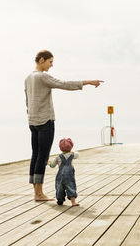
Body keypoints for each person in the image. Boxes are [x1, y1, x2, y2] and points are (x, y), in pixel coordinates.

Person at [25, 50, 103, 201]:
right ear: (42, 60)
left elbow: (27, 100)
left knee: (35, 155)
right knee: (42, 157)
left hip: (32, 121)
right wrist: (87, 82)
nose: (51, 65)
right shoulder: (42, 76)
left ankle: (36, 192)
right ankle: (39, 193)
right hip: (45, 120)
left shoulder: (28, 77)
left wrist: (31, 114)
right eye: (50, 62)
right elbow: (63, 84)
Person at [49, 138, 79, 206]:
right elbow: (77, 154)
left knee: (59, 187)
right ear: (71, 147)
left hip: (60, 175)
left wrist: (49, 163)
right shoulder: (72, 155)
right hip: (70, 175)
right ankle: (73, 202)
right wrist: (72, 151)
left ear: (60, 148)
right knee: (71, 186)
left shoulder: (58, 157)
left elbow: (52, 165)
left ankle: (60, 200)